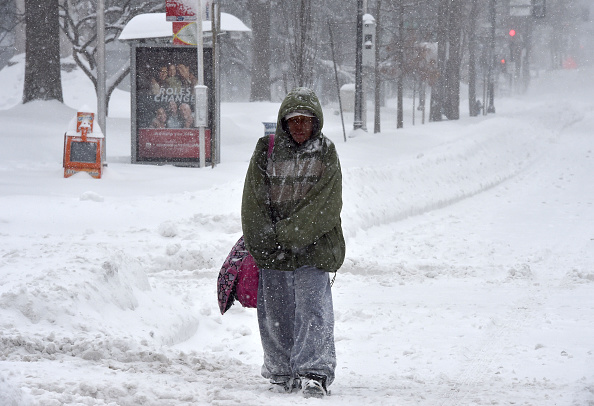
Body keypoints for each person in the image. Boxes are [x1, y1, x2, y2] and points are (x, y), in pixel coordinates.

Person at [241, 87, 345, 398]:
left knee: (313, 310)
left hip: (314, 247)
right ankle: (281, 371)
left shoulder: (326, 152)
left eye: (306, 120)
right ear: (284, 122)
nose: (300, 126)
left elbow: (325, 204)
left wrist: (287, 234)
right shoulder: (267, 150)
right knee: (275, 311)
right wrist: (264, 240)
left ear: (317, 123)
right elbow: (253, 201)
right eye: (294, 120)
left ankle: (314, 372)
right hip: (274, 249)